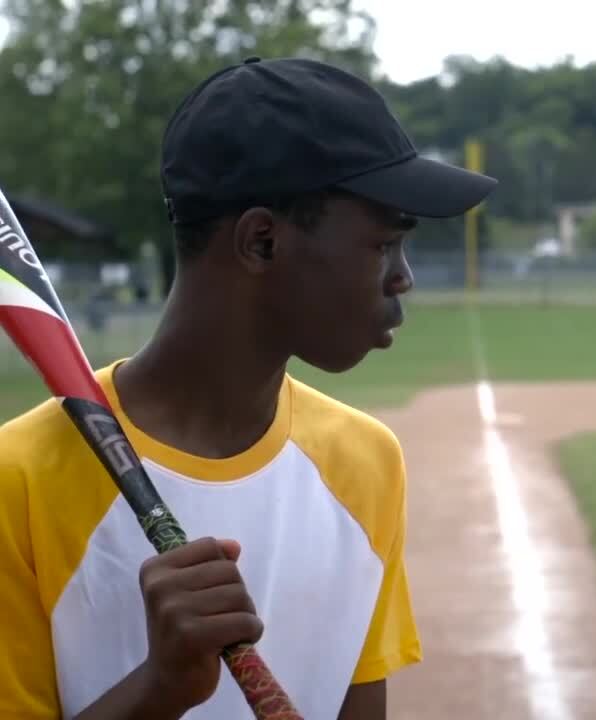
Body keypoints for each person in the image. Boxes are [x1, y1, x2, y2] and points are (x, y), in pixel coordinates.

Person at [0, 56, 496, 719]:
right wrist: (160, 688)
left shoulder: (364, 463)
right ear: (262, 242)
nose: (403, 277)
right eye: (383, 245)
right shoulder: (20, 481)